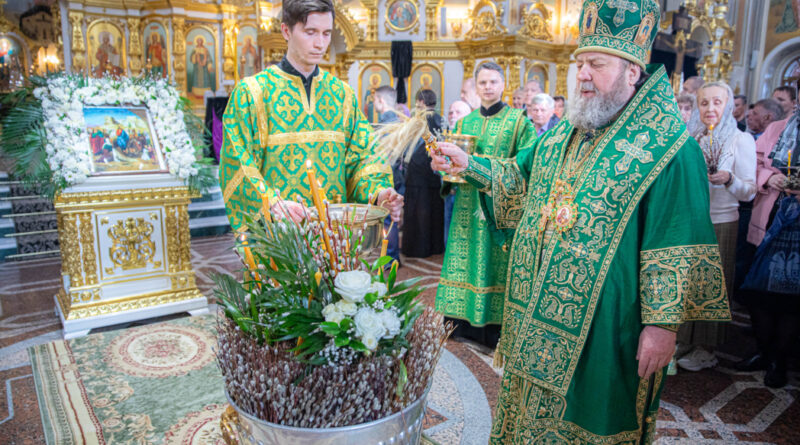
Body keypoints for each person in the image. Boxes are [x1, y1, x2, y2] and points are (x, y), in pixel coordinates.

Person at [430, 1, 729, 442]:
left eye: (597, 64)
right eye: (580, 63)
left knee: (593, 419)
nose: (583, 74)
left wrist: (663, 326)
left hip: (610, 328)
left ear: (632, 70)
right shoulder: (563, 134)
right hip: (534, 312)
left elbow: (677, 241)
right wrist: (468, 163)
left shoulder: (669, 150)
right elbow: (517, 179)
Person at [219, 0, 403, 233]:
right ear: (286, 31)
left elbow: (363, 157)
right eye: (310, 32)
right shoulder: (252, 93)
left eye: (326, 33)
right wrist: (271, 204)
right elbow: (237, 163)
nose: (320, 43)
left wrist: (378, 192)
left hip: (335, 236)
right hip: (280, 238)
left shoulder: (342, 94)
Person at [435, 61, 536, 350]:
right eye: (482, 83)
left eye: (493, 82)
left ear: (503, 84)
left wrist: (481, 168)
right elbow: (452, 169)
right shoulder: (464, 123)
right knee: (466, 260)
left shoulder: (519, 121)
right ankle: (461, 322)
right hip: (467, 205)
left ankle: (493, 329)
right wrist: (442, 167)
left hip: (500, 209)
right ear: (476, 86)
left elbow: (525, 165)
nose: (488, 87)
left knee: (496, 265)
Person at [676, 82, 756, 372]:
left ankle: (706, 348)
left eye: (717, 103)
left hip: (721, 219)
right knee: (688, 283)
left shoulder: (740, 140)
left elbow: (749, 191)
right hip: (691, 220)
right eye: (704, 103)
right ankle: (685, 338)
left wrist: (729, 180)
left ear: (729, 106)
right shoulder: (692, 138)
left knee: (712, 285)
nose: (710, 109)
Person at [735, 107, 800, 389]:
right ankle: (762, 351)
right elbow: (755, 164)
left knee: (791, 298)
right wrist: (768, 178)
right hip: (769, 214)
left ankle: (779, 360)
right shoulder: (777, 127)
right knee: (757, 290)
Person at [403, 89, 446, 258]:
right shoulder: (441, 120)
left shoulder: (418, 121)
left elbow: (410, 146)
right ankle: (434, 247)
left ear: (421, 102)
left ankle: (416, 249)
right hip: (434, 172)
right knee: (433, 211)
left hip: (417, 174)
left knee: (418, 213)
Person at [373, 86, 404, 264]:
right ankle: (391, 255)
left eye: (375, 100)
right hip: (400, 174)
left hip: (387, 174)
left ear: (381, 101)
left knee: (388, 217)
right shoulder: (400, 123)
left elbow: (380, 153)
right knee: (393, 215)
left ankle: (390, 257)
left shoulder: (384, 124)